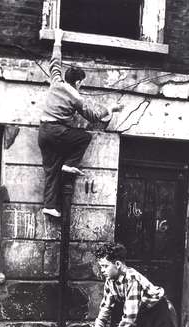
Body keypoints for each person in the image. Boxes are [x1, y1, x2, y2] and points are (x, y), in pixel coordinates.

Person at [38, 28, 122, 218]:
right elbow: (93, 116)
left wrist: (57, 41)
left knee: (51, 170)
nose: (81, 85)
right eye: (81, 82)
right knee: (83, 137)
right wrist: (111, 109)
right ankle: (69, 164)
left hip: (43, 132)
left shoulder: (56, 81)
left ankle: (49, 205)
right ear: (77, 82)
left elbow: (55, 62)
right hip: (57, 131)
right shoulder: (76, 97)